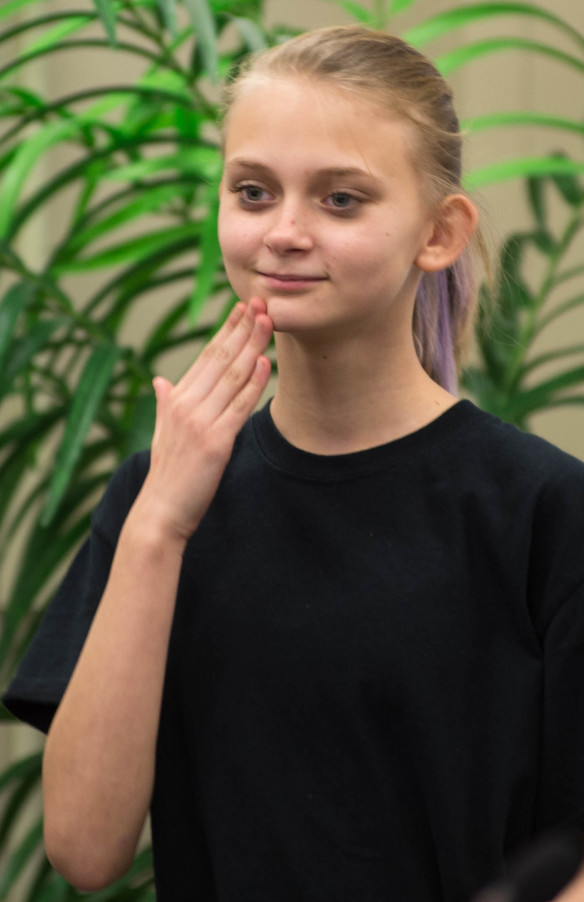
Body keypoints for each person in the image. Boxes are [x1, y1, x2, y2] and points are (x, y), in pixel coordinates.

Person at [3, 24, 584, 902]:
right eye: (253, 191)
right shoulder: (156, 495)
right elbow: (86, 850)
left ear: (439, 232)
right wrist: (159, 524)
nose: (284, 232)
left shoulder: (544, 509)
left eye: (341, 200)